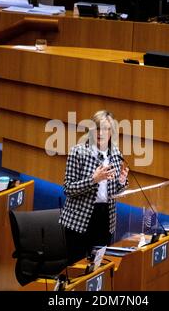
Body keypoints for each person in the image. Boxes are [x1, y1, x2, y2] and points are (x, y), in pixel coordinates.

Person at [60, 110, 129, 264]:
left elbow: (115, 192)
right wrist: (93, 180)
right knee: (77, 267)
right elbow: (68, 189)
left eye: (106, 129)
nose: (101, 133)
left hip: (105, 218)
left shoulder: (116, 155)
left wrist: (122, 182)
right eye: (97, 128)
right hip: (79, 219)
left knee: (98, 267)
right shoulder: (77, 152)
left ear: (111, 133)